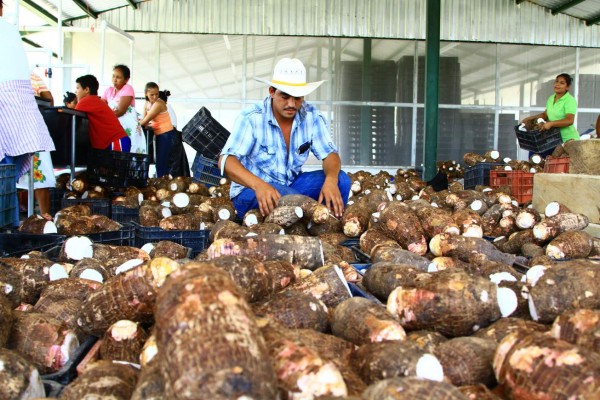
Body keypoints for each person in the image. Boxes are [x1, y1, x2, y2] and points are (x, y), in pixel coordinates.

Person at [219, 57, 351, 218]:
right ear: (272, 92)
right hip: (251, 192)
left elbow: (330, 154)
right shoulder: (251, 118)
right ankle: (310, 218)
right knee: (292, 199)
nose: (291, 104)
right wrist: (259, 185)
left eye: (297, 98)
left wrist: (331, 179)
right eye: (285, 96)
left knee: (341, 180)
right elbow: (226, 161)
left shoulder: (311, 116)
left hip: (291, 186)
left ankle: (326, 230)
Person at [0, 0, 55, 226]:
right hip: (20, 116)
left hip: (7, 110)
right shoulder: (11, 31)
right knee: (6, 177)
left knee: (4, 175)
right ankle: (8, 233)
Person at [15, 72, 57, 220]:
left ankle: (11, 221)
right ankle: (46, 219)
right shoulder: (31, 75)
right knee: (40, 176)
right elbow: (49, 100)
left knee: (7, 176)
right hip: (32, 126)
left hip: (8, 128)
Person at [520, 73, 579, 157]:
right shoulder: (551, 98)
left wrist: (551, 124)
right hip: (552, 137)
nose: (557, 84)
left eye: (562, 83)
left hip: (566, 140)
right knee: (534, 154)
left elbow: (570, 120)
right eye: (556, 81)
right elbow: (545, 115)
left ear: (567, 87)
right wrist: (530, 118)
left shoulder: (570, 100)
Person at [74, 74, 130, 151]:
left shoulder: (85, 101)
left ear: (87, 89)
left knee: (114, 163)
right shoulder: (95, 100)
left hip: (116, 141)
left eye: (77, 88)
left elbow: (73, 117)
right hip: (117, 140)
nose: (75, 91)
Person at [101, 64, 146, 153]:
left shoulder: (127, 88)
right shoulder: (108, 90)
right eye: (113, 76)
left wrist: (104, 116)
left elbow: (121, 111)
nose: (114, 79)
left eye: (118, 77)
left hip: (126, 126)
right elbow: (101, 106)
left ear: (126, 80)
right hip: (113, 125)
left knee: (128, 150)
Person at [139, 82, 177, 177]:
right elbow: (145, 121)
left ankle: (163, 183)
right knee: (159, 161)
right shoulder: (146, 104)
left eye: (156, 94)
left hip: (166, 134)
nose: (155, 97)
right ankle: (162, 181)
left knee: (161, 162)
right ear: (146, 94)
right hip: (159, 134)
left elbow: (145, 121)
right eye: (152, 95)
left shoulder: (159, 103)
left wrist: (137, 123)